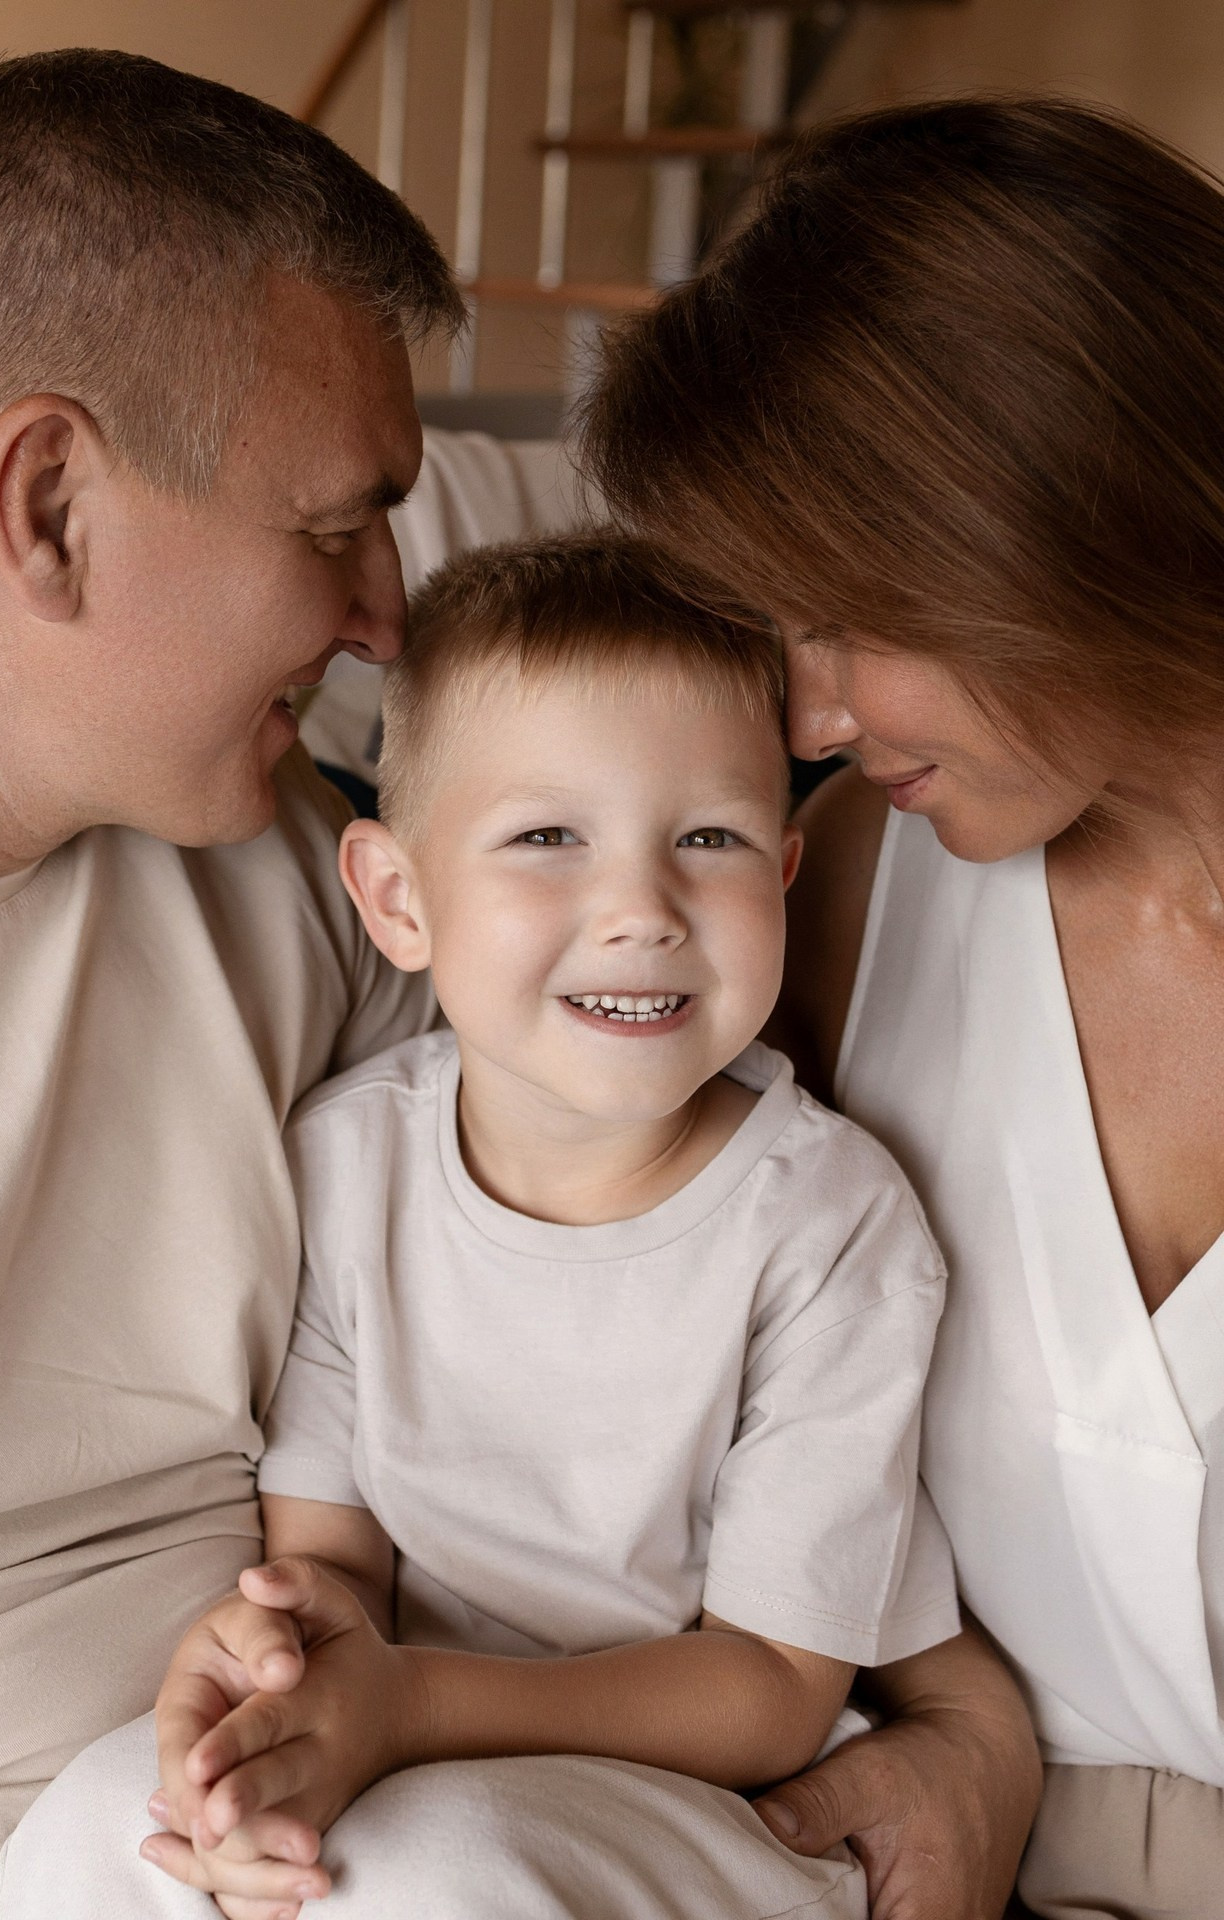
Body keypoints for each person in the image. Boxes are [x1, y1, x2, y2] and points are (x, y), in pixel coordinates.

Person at [0, 538, 961, 1919]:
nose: (639, 909)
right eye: (549, 837)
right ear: (397, 898)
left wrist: (406, 1710)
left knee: (433, 1875)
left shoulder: (830, 1222)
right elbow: (332, 1563)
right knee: (106, 1818)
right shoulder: (346, 1164)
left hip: (698, 1799)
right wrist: (276, 1685)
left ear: (785, 872)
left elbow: (773, 1693)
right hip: (404, 1740)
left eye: (711, 838)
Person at [578, 97, 1224, 1920]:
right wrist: (950, 1722)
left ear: (1050, 498)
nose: (805, 721)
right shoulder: (850, 887)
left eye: (842, 619)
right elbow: (735, 1403)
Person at [0, 46, 466, 1916]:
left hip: (334, 1785)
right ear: (53, 508)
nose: (388, 615)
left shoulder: (312, 872)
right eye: (335, 527)